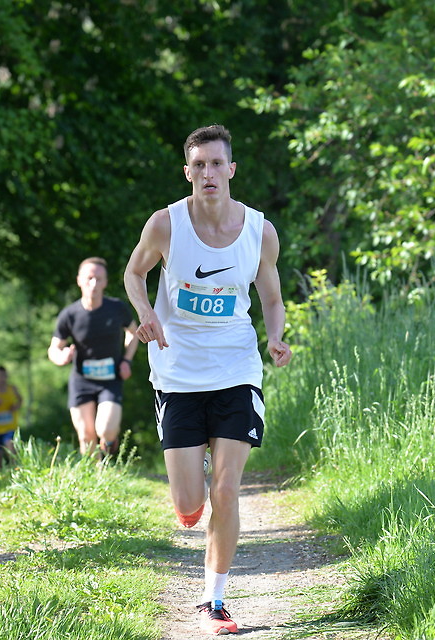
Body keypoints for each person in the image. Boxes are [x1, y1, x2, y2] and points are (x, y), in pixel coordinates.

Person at [123, 124, 292, 635]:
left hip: (236, 369)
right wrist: (146, 313)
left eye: (217, 163)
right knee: (188, 503)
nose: (208, 173)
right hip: (177, 373)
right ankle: (191, 483)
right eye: (199, 164)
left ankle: (214, 600)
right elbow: (134, 273)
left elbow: (272, 298)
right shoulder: (166, 224)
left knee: (227, 489)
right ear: (187, 172)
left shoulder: (259, 231)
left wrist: (276, 337)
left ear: (231, 169)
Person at [48, 257, 140, 457]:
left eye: (99, 279)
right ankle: (98, 473)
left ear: (105, 282)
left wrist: (127, 360)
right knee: (86, 435)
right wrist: (61, 356)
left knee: (105, 429)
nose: (94, 283)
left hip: (110, 378)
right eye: (89, 278)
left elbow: (133, 333)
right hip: (82, 380)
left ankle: (110, 442)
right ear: (79, 280)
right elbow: (54, 348)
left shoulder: (117, 308)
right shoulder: (69, 315)